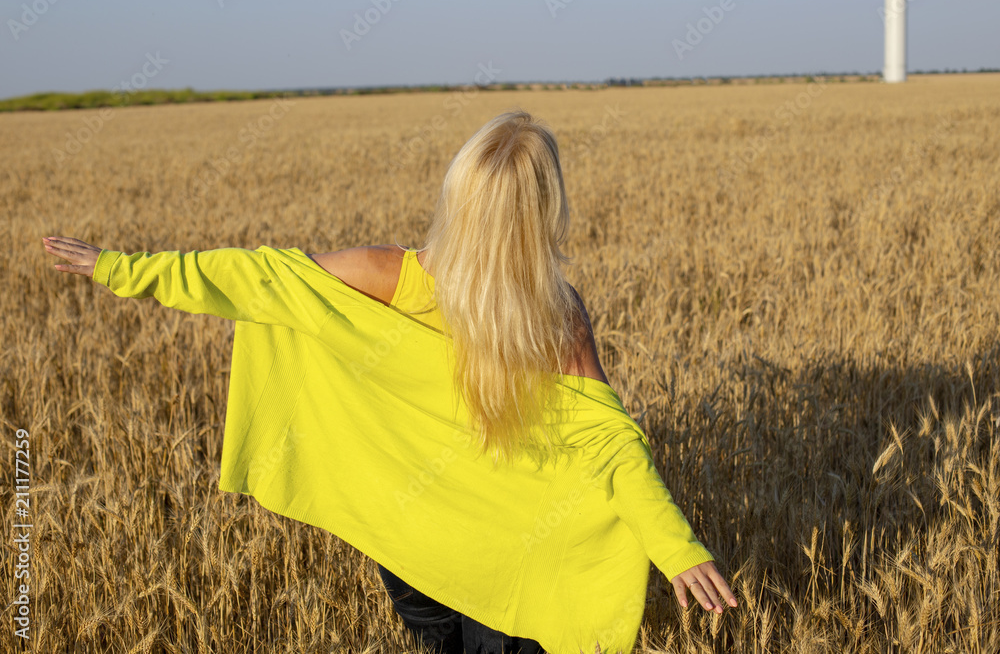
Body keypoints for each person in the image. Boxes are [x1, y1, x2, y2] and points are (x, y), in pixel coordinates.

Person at [43, 110, 736, 654]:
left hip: (412, 552)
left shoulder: (390, 274)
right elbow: (610, 443)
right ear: (543, 211)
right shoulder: (558, 316)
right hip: (517, 558)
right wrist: (676, 548)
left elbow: (256, 276)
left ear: (458, 195)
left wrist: (121, 267)